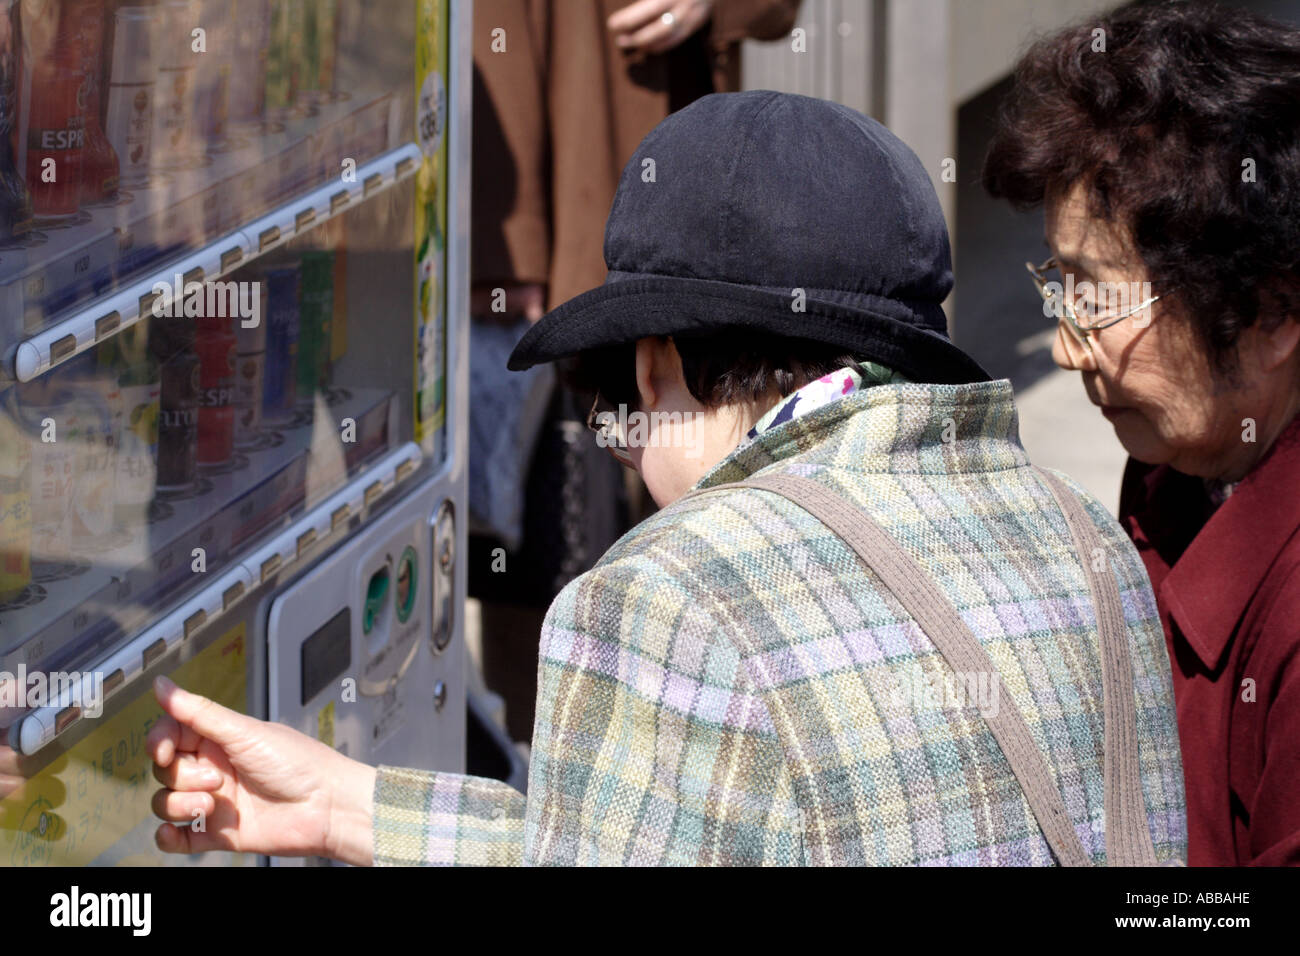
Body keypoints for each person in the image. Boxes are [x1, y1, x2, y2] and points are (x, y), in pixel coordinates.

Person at [148, 91, 1186, 866]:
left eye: (612, 391)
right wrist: (345, 806)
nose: (620, 440)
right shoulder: (1082, 536)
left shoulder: (669, 591)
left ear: (657, 360)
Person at [982, 1, 1300, 866]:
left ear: (1272, 312)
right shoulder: (1175, 468)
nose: (1062, 344)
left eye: (1099, 294)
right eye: (1060, 284)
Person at [468, 0, 801, 743]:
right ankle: (552, 773)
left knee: (704, 511)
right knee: (553, 532)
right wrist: (508, 247)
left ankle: (701, 751)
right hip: (566, 216)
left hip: (701, 215)